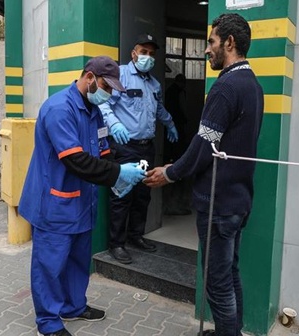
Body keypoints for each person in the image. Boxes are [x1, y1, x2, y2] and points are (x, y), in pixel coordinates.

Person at [144, 13, 263, 336]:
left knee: (218, 284)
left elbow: (202, 148)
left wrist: (170, 173)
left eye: (211, 42)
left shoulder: (226, 87)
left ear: (230, 42)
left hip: (219, 204)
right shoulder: (252, 84)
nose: (206, 49)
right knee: (230, 273)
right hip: (237, 202)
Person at [18, 56, 147, 336]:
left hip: (81, 202)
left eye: (113, 89)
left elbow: (101, 152)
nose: (109, 94)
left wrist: (124, 168)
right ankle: (49, 322)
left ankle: (74, 306)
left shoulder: (94, 110)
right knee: (50, 266)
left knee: (78, 261)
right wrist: (116, 174)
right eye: (105, 86)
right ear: (89, 78)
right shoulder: (58, 109)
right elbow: (75, 160)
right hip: (55, 203)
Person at [99, 33, 179, 264]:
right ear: (134, 53)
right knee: (122, 195)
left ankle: (136, 236)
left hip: (146, 148)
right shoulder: (120, 75)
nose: (148, 57)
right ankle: (116, 244)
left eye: (152, 54)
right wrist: (114, 124)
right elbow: (104, 103)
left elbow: (159, 109)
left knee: (143, 195)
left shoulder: (154, 83)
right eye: (143, 52)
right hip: (125, 147)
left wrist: (170, 123)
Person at [163, 73, 192, 215]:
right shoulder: (177, 92)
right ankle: (173, 205)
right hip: (176, 130)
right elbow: (182, 111)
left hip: (171, 130)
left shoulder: (169, 91)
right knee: (177, 161)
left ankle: (170, 205)